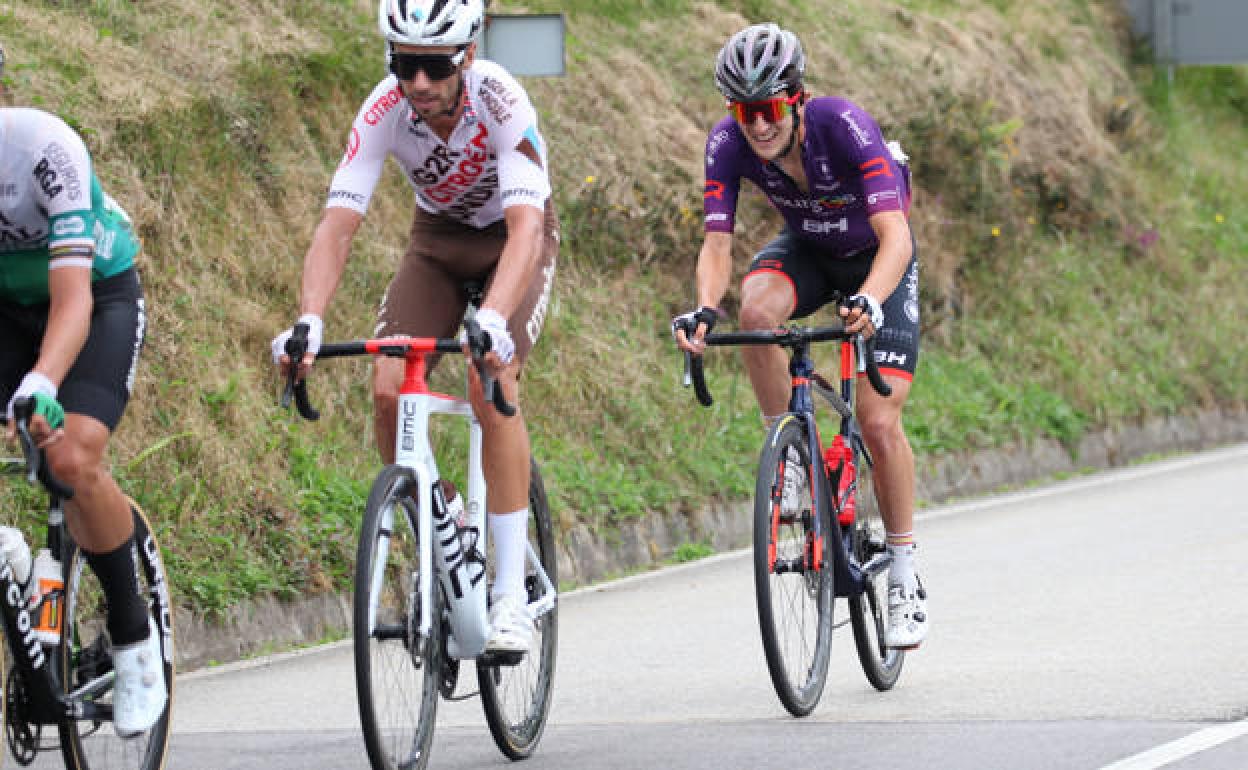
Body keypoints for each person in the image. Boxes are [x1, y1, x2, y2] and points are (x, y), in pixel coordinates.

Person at [272, 0, 558, 655]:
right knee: (387, 385)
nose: (419, 82)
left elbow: (525, 229)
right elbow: (337, 226)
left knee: (493, 382)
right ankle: (448, 515)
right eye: (405, 63)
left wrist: (491, 321)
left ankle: (510, 597)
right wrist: (309, 319)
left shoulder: (502, 100)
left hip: (517, 240)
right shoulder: (382, 111)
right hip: (436, 242)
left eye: (434, 65)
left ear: (467, 57)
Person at [672, 23, 927, 649]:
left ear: (796, 97)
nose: (756, 124)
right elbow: (717, 245)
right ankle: (788, 459)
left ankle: (903, 571)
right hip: (812, 250)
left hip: (876, 258)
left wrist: (869, 296)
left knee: (878, 421)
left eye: (768, 108)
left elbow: (895, 235)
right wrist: (705, 308)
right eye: (742, 109)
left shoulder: (843, 125)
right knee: (755, 312)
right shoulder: (728, 143)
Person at [0, 49, 167, 734]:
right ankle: (13, 559)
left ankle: (134, 646)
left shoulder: (45, 149)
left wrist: (41, 384)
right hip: (7, 312)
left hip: (95, 299)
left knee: (70, 457)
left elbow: (71, 301)